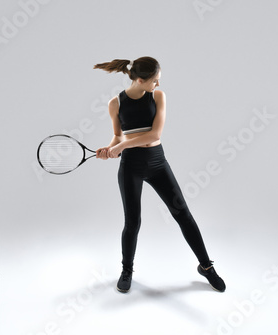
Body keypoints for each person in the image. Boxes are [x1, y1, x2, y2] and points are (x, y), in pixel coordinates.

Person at [93, 57, 225, 293]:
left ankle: (206, 267)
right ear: (141, 80)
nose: (158, 85)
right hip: (130, 167)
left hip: (157, 163)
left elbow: (154, 135)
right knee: (132, 223)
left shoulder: (158, 97)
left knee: (183, 214)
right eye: (155, 81)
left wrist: (121, 147)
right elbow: (118, 136)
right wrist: (109, 148)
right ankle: (126, 270)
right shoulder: (115, 103)